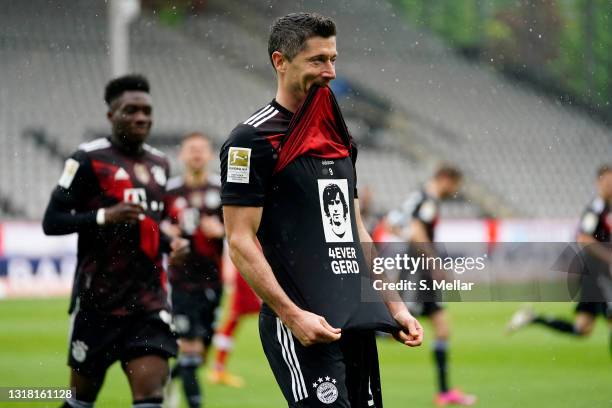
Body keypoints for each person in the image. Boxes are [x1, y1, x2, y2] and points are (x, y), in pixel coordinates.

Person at [220, 12, 423, 407]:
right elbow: (240, 240)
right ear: (281, 62)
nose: (330, 72)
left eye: (333, 59)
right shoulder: (251, 140)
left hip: (353, 319)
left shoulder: (338, 135)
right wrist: (293, 316)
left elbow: (355, 230)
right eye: (317, 60)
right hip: (301, 326)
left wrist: (393, 305)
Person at [42, 74, 188, 408]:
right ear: (111, 115)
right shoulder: (86, 159)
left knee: (151, 397)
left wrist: (172, 244)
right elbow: (52, 222)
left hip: (148, 304)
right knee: (80, 401)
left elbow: (155, 224)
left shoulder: (160, 164)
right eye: (131, 110)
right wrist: (103, 217)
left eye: (147, 111)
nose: (141, 117)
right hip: (98, 303)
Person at [389, 165, 476, 406]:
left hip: (418, 267)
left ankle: (444, 392)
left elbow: (393, 223)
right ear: (446, 179)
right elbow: (416, 231)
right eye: (455, 185)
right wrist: (434, 263)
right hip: (420, 271)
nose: (455, 190)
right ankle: (345, 334)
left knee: (442, 328)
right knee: (395, 325)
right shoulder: (428, 199)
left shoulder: (418, 196)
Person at [508, 165, 612, 355]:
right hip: (597, 274)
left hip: (600, 274)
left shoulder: (607, 208)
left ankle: (534, 318)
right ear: (599, 182)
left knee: (582, 328)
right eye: (608, 181)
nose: (611, 185)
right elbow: (583, 238)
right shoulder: (595, 209)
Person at [163, 132, 225, 408]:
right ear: (182, 155)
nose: (197, 154)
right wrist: (166, 231)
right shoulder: (170, 191)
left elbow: (242, 230)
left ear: (210, 155)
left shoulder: (223, 189)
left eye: (202, 149)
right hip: (182, 283)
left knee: (200, 354)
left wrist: (222, 231)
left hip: (214, 282)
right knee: (189, 349)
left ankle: (168, 378)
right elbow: (156, 225)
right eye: (191, 149)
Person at [208, 262, 261, 388]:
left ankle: (218, 368)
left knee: (232, 322)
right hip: (248, 275)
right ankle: (218, 368)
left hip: (249, 273)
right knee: (232, 322)